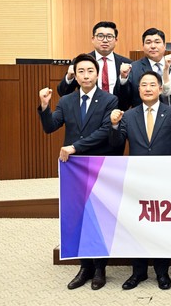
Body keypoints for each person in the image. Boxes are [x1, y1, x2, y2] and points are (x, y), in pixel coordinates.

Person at [37, 53, 119, 291]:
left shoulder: (110, 100)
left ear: (97, 74)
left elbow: (105, 131)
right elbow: (50, 127)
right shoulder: (66, 101)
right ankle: (85, 267)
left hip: (99, 164)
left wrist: (75, 147)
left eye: (90, 71)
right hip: (74, 168)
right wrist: (44, 106)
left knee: (99, 217)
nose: (85, 75)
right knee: (79, 216)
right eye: (81, 71)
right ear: (75, 75)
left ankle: (100, 269)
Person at [108, 70, 171, 291]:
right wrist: (114, 126)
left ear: (160, 89)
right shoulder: (128, 115)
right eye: (144, 85)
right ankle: (138, 272)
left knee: (161, 227)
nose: (148, 88)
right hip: (137, 179)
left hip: (164, 179)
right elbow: (116, 144)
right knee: (137, 226)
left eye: (153, 84)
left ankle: (162, 272)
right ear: (138, 89)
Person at [57, 21, 132, 110]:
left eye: (109, 37)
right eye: (100, 36)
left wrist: (123, 79)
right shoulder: (80, 61)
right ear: (93, 39)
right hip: (89, 112)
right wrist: (69, 77)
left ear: (116, 41)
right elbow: (63, 93)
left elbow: (131, 95)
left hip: (118, 111)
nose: (105, 40)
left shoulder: (126, 63)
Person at [123, 28, 171, 108]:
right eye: (148, 42)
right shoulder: (134, 68)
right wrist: (123, 79)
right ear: (143, 46)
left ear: (165, 45)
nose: (153, 46)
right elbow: (125, 99)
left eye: (157, 42)